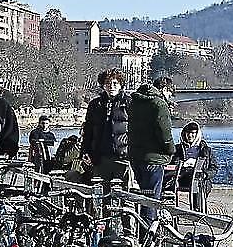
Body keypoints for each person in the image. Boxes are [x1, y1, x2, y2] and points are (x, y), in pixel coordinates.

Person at [129, 76, 176, 223]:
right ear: (164, 89)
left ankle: (142, 233)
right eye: (170, 93)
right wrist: (171, 150)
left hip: (136, 156)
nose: (170, 98)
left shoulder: (135, 102)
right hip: (154, 158)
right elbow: (165, 133)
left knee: (144, 196)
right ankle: (149, 237)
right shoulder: (159, 104)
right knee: (152, 199)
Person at [81, 69, 131, 184]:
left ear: (120, 85)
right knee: (100, 192)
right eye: (108, 83)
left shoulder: (128, 103)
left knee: (122, 193)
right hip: (100, 157)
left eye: (115, 83)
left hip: (122, 157)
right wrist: (85, 151)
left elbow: (136, 131)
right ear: (103, 85)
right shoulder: (95, 105)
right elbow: (88, 131)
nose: (111, 86)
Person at [172, 121, 218, 209]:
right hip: (180, 178)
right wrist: (182, 165)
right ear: (184, 134)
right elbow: (171, 163)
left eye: (193, 133)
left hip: (200, 179)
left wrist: (206, 174)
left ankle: (198, 212)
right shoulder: (177, 149)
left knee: (198, 185)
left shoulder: (206, 150)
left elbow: (214, 168)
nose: (190, 135)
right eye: (188, 133)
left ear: (197, 134)